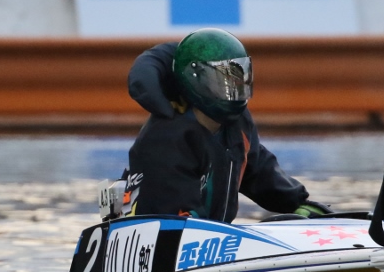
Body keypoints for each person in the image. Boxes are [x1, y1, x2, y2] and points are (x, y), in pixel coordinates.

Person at [118, 27, 330, 223]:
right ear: (195, 79)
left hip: (208, 237)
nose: (232, 88)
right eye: (222, 80)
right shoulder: (169, 137)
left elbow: (257, 168)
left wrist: (297, 203)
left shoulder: (238, 123)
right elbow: (177, 221)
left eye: (237, 78)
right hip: (163, 237)